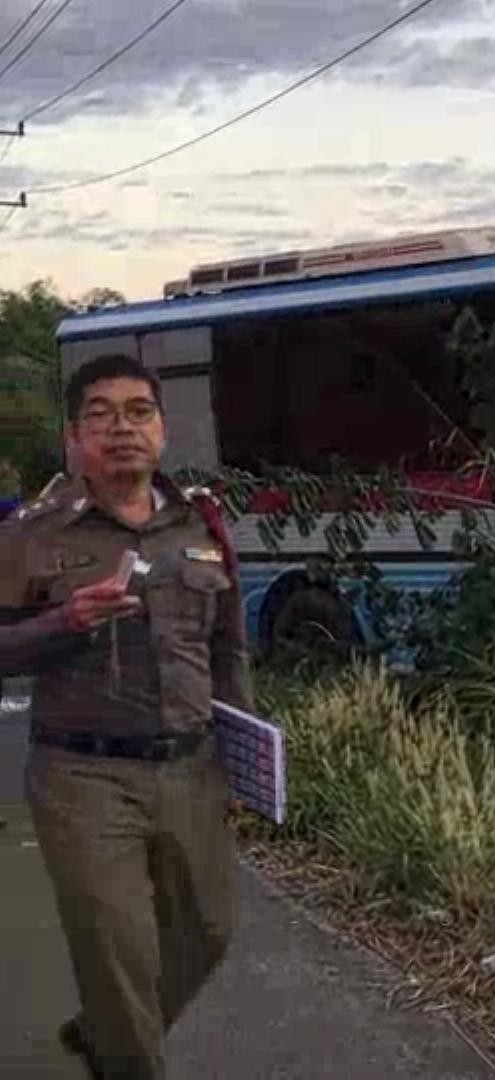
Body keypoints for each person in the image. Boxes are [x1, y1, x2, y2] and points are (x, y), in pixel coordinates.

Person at [0, 353, 252, 1079]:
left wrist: (247, 754)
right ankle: (126, 1058)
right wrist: (63, 623)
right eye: (101, 415)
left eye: (138, 412)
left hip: (192, 769)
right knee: (117, 949)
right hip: (83, 776)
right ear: (74, 437)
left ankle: (106, 1036)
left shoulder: (199, 525)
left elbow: (230, 647)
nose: (122, 429)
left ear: (163, 431)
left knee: (207, 933)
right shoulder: (32, 535)